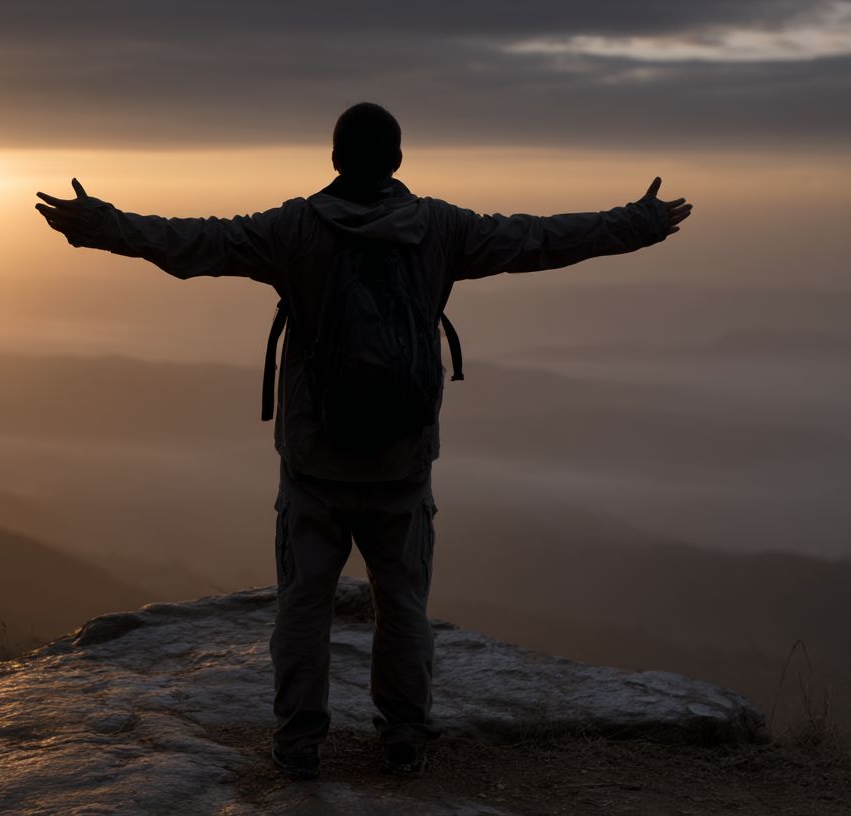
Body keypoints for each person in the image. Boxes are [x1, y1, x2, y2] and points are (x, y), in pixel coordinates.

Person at [34, 102, 692, 780]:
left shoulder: (291, 230)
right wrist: (638, 224)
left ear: (335, 159)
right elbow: (541, 238)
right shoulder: (440, 228)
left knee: (304, 606)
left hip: (315, 462)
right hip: (402, 462)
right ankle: (404, 737)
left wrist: (98, 225)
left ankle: (297, 745)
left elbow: (194, 242)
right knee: (402, 605)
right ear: (398, 160)